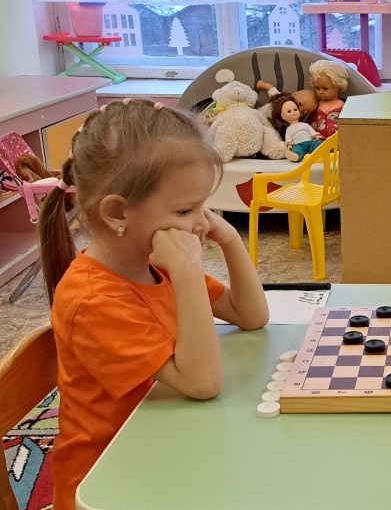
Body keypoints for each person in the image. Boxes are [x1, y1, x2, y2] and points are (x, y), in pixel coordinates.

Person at [37, 98, 270, 509]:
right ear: (116, 213)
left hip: (166, 443)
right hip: (111, 482)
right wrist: (187, 272)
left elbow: (250, 316)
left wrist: (230, 238)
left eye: (203, 206)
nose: (201, 222)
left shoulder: (151, 265)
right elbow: (202, 383)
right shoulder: (92, 299)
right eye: (185, 209)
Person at [308, 59, 348, 139]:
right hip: (318, 142)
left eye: (325, 89)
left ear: (337, 87)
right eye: (317, 88)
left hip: (337, 141)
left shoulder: (343, 106)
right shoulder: (316, 105)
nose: (320, 92)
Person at [276, 97, 324, 162]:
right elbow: (288, 139)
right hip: (298, 145)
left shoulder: (305, 125)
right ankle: (296, 156)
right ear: (283, 116)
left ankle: (322, 149)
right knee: (296, 149)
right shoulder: (289, 129)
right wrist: (289, 145)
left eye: (295, 109)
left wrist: (316, 136)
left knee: (316, 143)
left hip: (309, 142)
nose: (293, 112)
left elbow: (312, 132)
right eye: (289, 111)